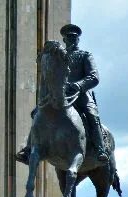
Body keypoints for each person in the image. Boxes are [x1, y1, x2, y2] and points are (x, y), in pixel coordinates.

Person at [17, 24, 109, 163]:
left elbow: (94, 76)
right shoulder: (59, 55)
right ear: (64, 40)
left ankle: (99, 150)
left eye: (74, 37)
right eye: (68, 37)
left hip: (80, 94)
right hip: (59, 93)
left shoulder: (84, 56)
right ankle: (28, 149)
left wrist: (78, 85)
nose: (71, 39)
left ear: (78, 39)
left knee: (92, 115)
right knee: (38, 113)